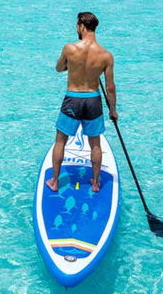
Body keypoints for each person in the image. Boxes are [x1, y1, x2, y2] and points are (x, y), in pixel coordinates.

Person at [46, 12, 117, 193]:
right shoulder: (106, 55)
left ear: (81, 27)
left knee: (61, 140)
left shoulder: (70, 48)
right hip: (93, 100)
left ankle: (54, 181)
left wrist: (74, 65)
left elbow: (59, 68)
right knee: (95, 143)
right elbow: (110, 87)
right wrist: (113, 111)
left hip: (73, 99)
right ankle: (95, 182)